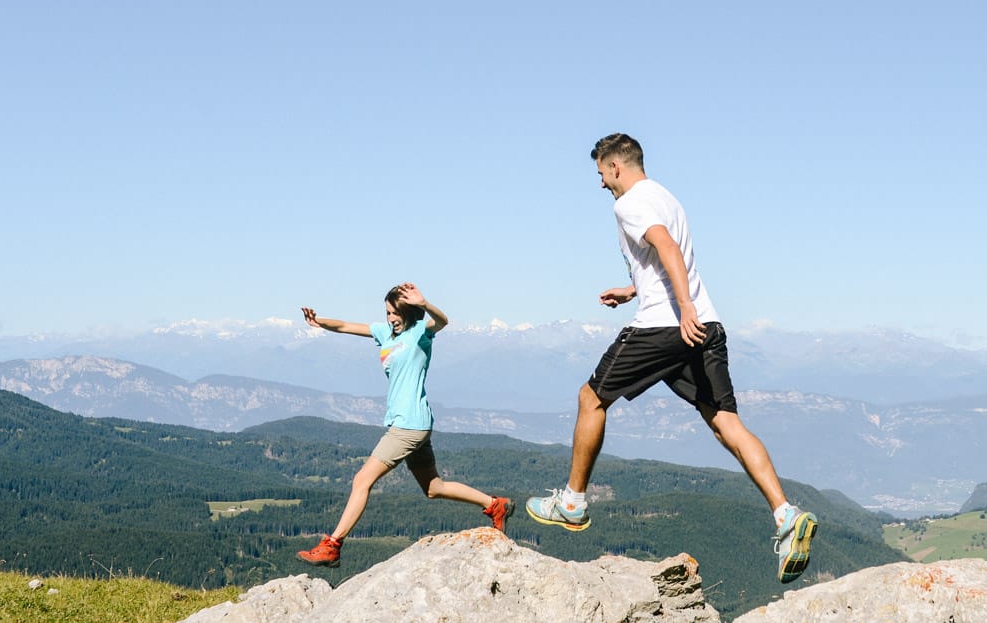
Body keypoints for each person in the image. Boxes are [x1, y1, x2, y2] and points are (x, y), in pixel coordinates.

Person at [525, 134, 818, 583]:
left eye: (601, 173)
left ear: (616, 166)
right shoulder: (667, 197)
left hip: (668, 325)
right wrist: (632, 289)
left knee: (591, 398)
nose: (601, 183)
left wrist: (682, 308)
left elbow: (666, 247)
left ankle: (572, 502)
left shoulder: (630, 203)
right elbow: (663, 260)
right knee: (728, 425)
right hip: (707, 326)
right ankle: (786, 516)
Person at [295, 283, 512, 568]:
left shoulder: (421, 334)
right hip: (414, 423)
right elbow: (347, 325)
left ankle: (332, 545)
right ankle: (495, 504)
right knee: (434, 487)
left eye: (394, 313)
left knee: (362, 480)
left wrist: (426, 303)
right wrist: (319, 321)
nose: (389, 318)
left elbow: (443, 321)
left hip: (408, 427)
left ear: (409, 312)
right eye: (387, 313)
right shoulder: (387, 333)